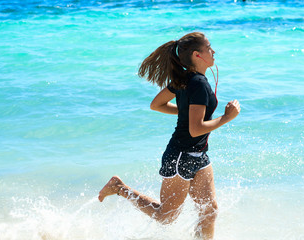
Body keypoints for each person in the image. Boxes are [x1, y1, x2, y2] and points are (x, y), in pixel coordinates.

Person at [98, 32, 240, 240]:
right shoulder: (198, 83)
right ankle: (119, 188)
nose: (213, 51)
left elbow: (157, 104)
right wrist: (227, 117)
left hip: (199, 155)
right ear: (197, 55)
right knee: (165, 216)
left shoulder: (187, 79)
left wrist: (185, 111)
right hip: (181, 156)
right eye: (209, 47)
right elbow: (195, 129)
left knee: (209, 211)